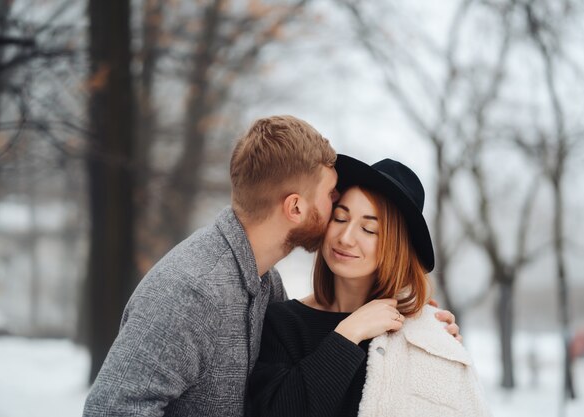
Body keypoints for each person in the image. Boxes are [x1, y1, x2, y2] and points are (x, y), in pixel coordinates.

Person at [83, 116, 460, 417]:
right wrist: (348, 334)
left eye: (369, 228)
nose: (342, 232)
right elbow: (111, 410)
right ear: (296, 207)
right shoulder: (191, 289)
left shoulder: (264, 286)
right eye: (333, 200)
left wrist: (426, 329)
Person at [248, 155, 489, 417]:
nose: (346, 238)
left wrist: (434, 341)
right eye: (340, 219)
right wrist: (348, 334)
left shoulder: (418, 333)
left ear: (396, 248)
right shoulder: (283, 322)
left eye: (369, 229)